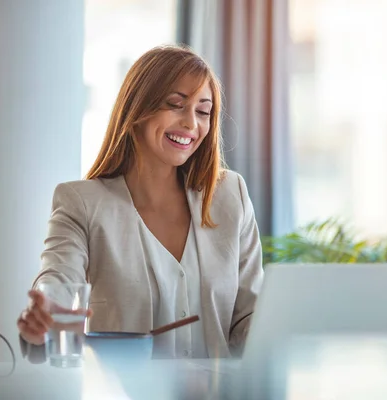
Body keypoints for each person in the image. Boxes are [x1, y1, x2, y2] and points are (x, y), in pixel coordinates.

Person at [17, 45, 264, 361]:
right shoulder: (81, 202)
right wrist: (47, 310)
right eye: (175, 105)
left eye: (203, 111)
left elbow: (249, 318)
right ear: (136, 111)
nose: (191, 123)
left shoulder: (231, 195)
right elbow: (59, 278)